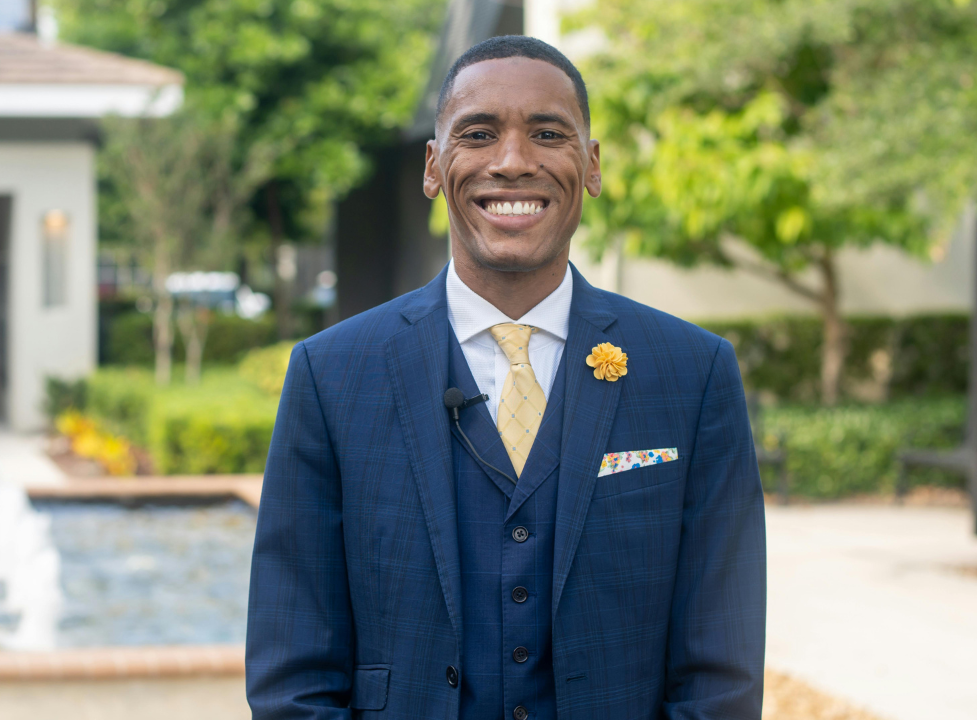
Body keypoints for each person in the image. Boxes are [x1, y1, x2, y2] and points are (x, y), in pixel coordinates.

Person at [246, 35, 766, 720]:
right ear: (434, 167)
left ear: (592, 164)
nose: (513, 161)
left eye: (548, 133)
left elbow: (720, 674)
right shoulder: (330, 375)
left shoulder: (694, 373)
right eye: (479, 133)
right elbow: (292, 674)